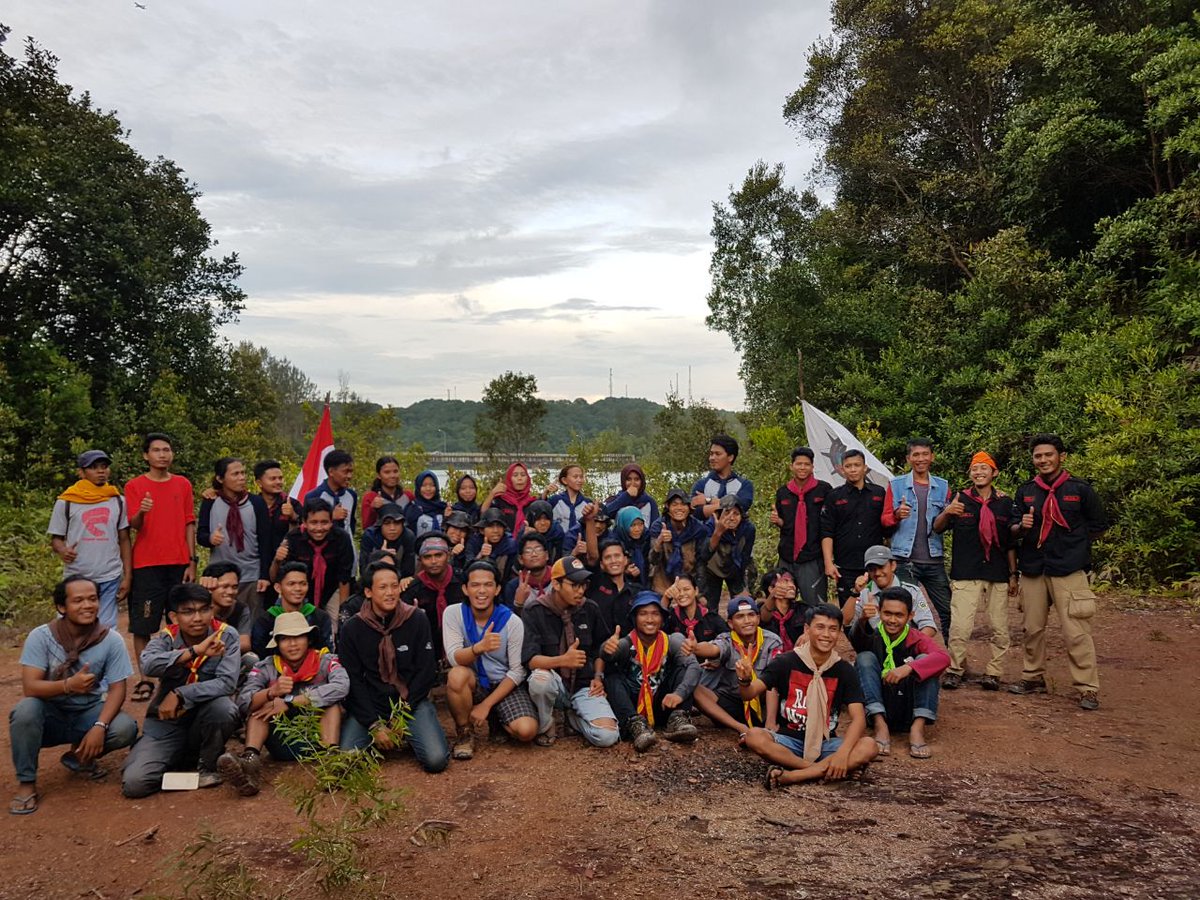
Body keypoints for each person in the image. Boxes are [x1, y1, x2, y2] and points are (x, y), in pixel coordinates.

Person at [10, 576, 138, 815]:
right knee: (25, 710)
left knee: (125, 728)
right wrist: (69, 685)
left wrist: (100, 726)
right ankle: (27, 782)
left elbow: (118, 688)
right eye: (78, 600)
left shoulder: (111, 640)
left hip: (87, 711)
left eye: (92, 599)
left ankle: (79, 755)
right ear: (62, 607)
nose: (87, 605)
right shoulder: (41, 636)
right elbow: (31, 687)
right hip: (49, 714)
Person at [1009, 434, 1108, 710]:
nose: (1043, 460)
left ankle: (1087, 687)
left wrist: (1075, 546)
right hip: (1033, 567)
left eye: (1048, 455)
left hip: (1068, 568)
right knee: (1032, 628)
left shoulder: (1081, 490)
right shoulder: (1026, 491)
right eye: (1038, 456)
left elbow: (1098, 525)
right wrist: (1023, 526)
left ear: (1061, 456)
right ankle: (1033, 677)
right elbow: (1013, 530)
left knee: (1076, 630)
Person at [122, 583, 241, 797]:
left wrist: (181, 694)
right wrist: (193, 652)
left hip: (204, 719)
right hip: (166, 723)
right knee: (135, 784)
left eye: (204, 610)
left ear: (212, 610)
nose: (197, 618)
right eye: (188, 612)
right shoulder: (167, 638)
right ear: (174, 617)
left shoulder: (226, 635)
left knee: (224, 708)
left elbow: (227, 683)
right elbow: (148, 665)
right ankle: (184, 769)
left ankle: (208, 765)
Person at [740, 604, 878, 788]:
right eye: (820, 627)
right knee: (754, 736)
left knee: (869, 745)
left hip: (826, 744)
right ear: (807, 629)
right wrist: (745, 680)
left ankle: (793, 776)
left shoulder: (844, 670)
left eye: (833, 629)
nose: (826, 635)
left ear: (839, 634)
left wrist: (842, 753)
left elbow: (859, 718)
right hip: (788, 742)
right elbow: (749, 694)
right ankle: (819, 771)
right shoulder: (786, 661)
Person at [220, 612, 349, 796]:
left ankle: (331, 766)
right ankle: (250, 764)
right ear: (277, 643)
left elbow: (341, 687)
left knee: (331, 705)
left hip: (319, 739)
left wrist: (290, 702)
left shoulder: (326, 661)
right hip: (282, 742)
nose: (293, 644)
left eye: (299, 637)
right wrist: (271, 693)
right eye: (286, 639)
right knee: (259, 709)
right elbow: (243, 703)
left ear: (309, 639)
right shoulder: (266, 667)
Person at [338, 563, 450, 773]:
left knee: (436, 760)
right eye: (382, 587)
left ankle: (412, 731)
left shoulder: (417, 618)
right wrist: (373, 724)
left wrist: (402, 715)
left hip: (410, 702)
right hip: (372, 705)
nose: (390, 593)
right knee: (345, 764)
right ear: (368, 592)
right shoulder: (353, 628)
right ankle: (376, 738)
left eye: (394, 586)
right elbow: (352, 679)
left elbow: (426, 672)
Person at [933, 451, 1017, 690]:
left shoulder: (1005, 502)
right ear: (970, 473)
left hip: (997, 572)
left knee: (999, 627)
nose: (979, 472)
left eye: (984, 468)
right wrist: (947, 511)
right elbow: (937, 528)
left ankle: (994, 672)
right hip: (966, 571)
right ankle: (954, 669)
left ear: (994, 473)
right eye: (975, 469)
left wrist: (1013, 575)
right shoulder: (960, 499)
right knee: (960, 626)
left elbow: (1011, 542)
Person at [125, 432, 197, 704]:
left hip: (178, 563)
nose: (162, 454)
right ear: (146, 455)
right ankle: (145, 679)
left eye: (167, 449)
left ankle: (179, 673)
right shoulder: (134, 486)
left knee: (182, 620)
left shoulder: (182, 484)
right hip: (147, 564)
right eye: (156, 450)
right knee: (143, 624)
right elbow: (134, 525)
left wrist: (192, 560)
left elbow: (189, 522)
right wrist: (142, 511)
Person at [443, 560, 539, 759]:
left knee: (526, 731)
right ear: (465, 588)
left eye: (488, 585)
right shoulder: (453, 614)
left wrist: (486, 705)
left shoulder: (511, 622)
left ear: (497, 589)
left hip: (503, 684)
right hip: (474, 682)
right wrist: (479, 648)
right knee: (456, 675)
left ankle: (497, 717)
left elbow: (517, 671)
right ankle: (464, 733)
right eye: (475, 585)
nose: (481, 591)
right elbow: (454, 658)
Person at [521, 556, 620, 748]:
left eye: (584, 585)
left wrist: (598, 676)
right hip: (553, 684)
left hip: (584, 685)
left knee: (607, 736)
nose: (580, 590)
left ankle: (573, 718)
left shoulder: (590, 608)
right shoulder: (534, 610)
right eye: (574, 585)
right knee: (540, 680)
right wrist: (562, 660)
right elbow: (530, 660)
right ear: (556, 584)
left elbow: (599, 649)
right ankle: (546, 725)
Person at [850, 587, 950, 759]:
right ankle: (880, 725)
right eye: (887, 614)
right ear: (879, 612)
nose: (892, 620)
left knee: (926, 659)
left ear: (910, 616)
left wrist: (910, 667)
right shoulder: (873, 635)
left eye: (899, 615)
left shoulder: (916, 637)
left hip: (909, 705)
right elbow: (856, 638)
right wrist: (862, 620)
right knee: (864, 658)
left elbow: (944, 658)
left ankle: (917, 728)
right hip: (880, 703)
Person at [600, 592, 700, 751]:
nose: (650, 619)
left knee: (684, 668)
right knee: (612, 676)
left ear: (662, 618)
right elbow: (607, 656)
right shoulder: (626, 643)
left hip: (664, 703)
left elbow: (694, 667)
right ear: (634, 618)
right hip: (634, 705)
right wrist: (606, 649)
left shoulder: (672, 640)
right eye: (643, 614)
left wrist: (679, 694)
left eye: (655, 614)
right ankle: (635, 726)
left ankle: (678, 720)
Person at [47, 449, 131, 630]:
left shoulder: (117, 500)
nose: (101, 471)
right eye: (93, 467)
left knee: (106, 629)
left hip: (109, 574)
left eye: (104, 467)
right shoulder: (66, 502)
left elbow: (124, 539)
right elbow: (56, 539)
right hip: (77, 576)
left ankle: (100, 659)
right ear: (81, 472)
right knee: (71, 626)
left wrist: (127, 576)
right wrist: (63, 550)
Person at [881, 439, 953, 642]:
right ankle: (906, 659)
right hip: (904, 560)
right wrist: (896, 515)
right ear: (908, 458)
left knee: (948, 611)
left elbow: (945, 523)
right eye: (916, 455)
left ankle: (955, 662)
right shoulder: (896, 486)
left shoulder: (943, 487)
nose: (920, 459)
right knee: (903, 612)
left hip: (933, 559)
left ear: (932, 457)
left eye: (925, 454)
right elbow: (884, 520)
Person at [688, 595, 783, 736]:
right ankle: (740, 728)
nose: (747, 621)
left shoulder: (772, 641)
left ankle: (767, 724)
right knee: (694, 689)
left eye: (751, 615)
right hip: (732, 703)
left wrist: (770, 721)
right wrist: (696, 648)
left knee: (774, 679)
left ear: (758, 618)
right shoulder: (726, 639)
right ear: (731, 623)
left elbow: (774, 681)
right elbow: (713, 648)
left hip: (763, 705)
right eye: (740, 617)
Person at [197, 457, 271, 618]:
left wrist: (264, 575)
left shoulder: (257, 503)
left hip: (251, 575)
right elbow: (200, 536)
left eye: (243, 473)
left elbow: (266, 541)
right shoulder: (210, 501)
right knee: (219, 622)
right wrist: (210, 538)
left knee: (251, 623)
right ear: (220, 478)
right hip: (220, 577)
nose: (241, 478)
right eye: (235, 474)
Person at [820, 448, 889, 606]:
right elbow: (826, 531)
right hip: (846, 564)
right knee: (849, 612)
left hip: (876, 564)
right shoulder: (834, 496)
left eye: (857, 465)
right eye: (848, 466)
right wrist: (828, 563)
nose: (853, 469)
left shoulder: (879, 493)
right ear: (841, 469)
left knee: (879, 607)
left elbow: (888, 527)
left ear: (865, 467)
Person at [273, 499, 355, 626]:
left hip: (331, 589)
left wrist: (342, 613)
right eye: (313, 522)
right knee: (291, 624)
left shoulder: (341, 538)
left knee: (338, 624)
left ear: (331, 522)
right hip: (300, 588)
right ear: (305, 522)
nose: (319, 528)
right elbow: (275, 577)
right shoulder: (293, 538)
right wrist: (277, 561)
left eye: (324, 522)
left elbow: (344, 578)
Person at [771, 447, 833, 605]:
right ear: (791, 466)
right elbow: (787, 525)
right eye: (799, 464)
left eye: (807, 464)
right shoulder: (783, 492)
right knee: (783, 601)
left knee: (815, 604)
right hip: (787, 555)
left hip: (812, 556)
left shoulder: (824, 490)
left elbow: (830, 523)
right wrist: (779, 522)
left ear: (812, 467)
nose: (802, 467)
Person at [843, 546, 939, 637]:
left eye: (881, 567)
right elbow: (845, 621)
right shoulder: (864, 593)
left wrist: (913, 645)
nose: (877, 573)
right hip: (876, 648)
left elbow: (929, 626)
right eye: (872, 569)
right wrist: (856, 593)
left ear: (893, 565)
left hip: (908, 645)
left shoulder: (912, 592)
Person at [402, 532, 467, 660]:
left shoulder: (463, 582)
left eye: (438, 555)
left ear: (448, 556)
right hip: (424, 652)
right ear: (420, 560)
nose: (433, 561)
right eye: (427, 557)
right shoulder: (411, 589)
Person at [250, 561, 334, 659]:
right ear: (278, 588)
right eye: (291, 584)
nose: (298, 588)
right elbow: (260, 654)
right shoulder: (265, 621)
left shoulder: (320, 617)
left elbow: (327, 651)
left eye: (303, 584)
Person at [699, 494, 757, 606]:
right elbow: (704, 555)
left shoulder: (748, 529)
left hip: (735, 567)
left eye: (736, 514)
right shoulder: (709, 526)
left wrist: (744, 586)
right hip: (711, 568)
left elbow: (745, 558)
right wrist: (718, 532)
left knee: (744, 602)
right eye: (727, 512)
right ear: (719, 514)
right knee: (709, 606)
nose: (731, 517)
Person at [647, 489, 707, 593]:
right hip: (663, 581)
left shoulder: (698, 528)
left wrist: (700, 592)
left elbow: (701, 562)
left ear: (689, 507)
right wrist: (659, 541)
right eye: (674, 504)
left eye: (683, 504)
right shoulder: (658, 526)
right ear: (668, 507)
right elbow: (653, 560)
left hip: (689, 581)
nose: (679, 508)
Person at [303, 448, 358, 549]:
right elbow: (307, 528)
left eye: (351, 472)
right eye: (345, 472)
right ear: (331, 472)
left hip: (346, 553)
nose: (349, 476)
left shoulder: (352, 495)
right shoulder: (314, 496)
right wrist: (331, 517)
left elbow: (351, 525)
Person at [690, 434, 754, 521]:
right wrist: (729, 505)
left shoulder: (744, 485)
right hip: (709, 534)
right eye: (711, 454)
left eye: (718, 454)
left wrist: (708, 500)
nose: (712, 458)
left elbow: (742, 506)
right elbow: (697, 512)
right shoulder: (701, 484)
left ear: (730, 457)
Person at [587, 538, 639, 634]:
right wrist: (590, 522)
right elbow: (592, 557)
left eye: (617, 556)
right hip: (598, 647)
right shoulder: (594, 586)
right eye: (607, 557)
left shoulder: (637, 591)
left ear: (625, 560)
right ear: (602, 565)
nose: (613, 561)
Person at [201, 562, 253, 655]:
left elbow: (245, 644)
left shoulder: (240, 608)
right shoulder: (198, 608)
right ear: (211, 586)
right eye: (224, 586)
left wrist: (218, 647)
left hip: (228, 656)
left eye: (234, 587)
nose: (230, 592)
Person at [359, 502, 416, 581]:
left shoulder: (408, 536)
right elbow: (364, 571)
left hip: (399, 581)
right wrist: (379, 557)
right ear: (380, 525)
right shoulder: (370, 536)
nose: (392, 528)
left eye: (397, 523)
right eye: (387, 523)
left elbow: (409, 570)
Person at [663, 574, 727, 643]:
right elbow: (658, 629)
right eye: (678, 590)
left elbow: (727, 637)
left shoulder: (710, 616)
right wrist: (666, 598)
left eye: (686, 589)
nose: (681, 594)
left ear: (696, 591)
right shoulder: (672, 617)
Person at [252, 459, 296, 561]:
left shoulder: (292, 503)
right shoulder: (252, 504)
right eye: (273, 479)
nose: (278, 482)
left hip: (286, 561)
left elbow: (305, 528)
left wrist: (293, 516)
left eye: (280, 478)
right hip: (256, 561)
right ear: (259, 483)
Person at [502, 532, 555, 612]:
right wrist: (518, 604)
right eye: (528, 551)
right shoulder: (514, 586)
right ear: (520, 559)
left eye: (538, 549)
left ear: (547, 555)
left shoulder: (558, 579)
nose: (534, 554)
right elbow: (510, 621)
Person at [757, 568, 805, 652]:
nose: (791, 585)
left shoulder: (802, 608)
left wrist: (808, 633)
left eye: (792, 581)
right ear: (771, 588)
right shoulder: (759, 610)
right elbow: (764, 617)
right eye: (785, 581)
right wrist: (772, 596)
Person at [466, 508, 517, 583]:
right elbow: (466, 571)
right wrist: (480, 556)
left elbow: (512, 575)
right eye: (491, 526)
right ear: (482, 530)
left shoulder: (511, 545)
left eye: (499, 526)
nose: (495, 531)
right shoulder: (474, 542)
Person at [484, 462, 536, 533]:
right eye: (515, 475)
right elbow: (483, 514)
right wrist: (492, 493)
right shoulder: (500, 500)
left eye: (523, 475)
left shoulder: (533, 503)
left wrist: (534, 532)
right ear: (509, 479)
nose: (519, 478)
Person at [547, 463, 592, 545]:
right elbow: (539, 511)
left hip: (580, 545)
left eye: (581, 477)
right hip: (558, 545)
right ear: (564, 480)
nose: (579, 480)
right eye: (575, 477)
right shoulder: (555, 500)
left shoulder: (588, 503)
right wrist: (545, 493)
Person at [362, 455, 411, 529]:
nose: (392, 475)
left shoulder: (408, 496)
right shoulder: (371, 497)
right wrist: (373, 509)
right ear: (379, 475)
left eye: (395, 471)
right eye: (387, 472)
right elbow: (366, 526)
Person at [406, 470, 445, 538]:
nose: (428, 489)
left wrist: (447, 517)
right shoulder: (412, 508)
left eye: (432, 485)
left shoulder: (442, 508)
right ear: (418, 487)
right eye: (424, 485)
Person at [443, 510, 473, 578]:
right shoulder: (436, 544)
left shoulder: (469, 548)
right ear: (447, 528)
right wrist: (451, 555)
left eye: (463, 531)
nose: (458, 533)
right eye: (455, 528)